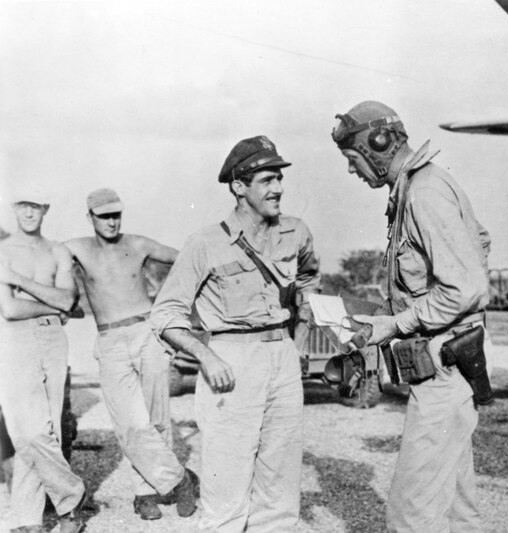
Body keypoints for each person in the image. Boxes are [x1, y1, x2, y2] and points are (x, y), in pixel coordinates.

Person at [332, 100, 494, 533]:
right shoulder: (415, 189)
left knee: (411, 512)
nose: (352, 170)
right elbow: (477, 244)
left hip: (445, 366)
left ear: (376, 145)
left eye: (352, 159)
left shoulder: (424, 192)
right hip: (445, 360)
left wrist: (398, 324)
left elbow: (466, 287)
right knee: (458, 509)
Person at [151, 135, 321, 533]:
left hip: (282, 356)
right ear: (239, 187)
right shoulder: (205, 243)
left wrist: (298, 336)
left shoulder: (296, 232)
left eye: (279, 178)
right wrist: (206, 357)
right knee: (226, 484)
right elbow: (166, 314)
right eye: (266, 180)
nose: (278, 188)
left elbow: (310, 279)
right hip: (230, 359)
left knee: (280, 481)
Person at [64, 188, 197, 521]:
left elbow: (188, 258)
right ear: (90, 217)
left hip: (146, 332)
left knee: (156, 417)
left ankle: (145, 493)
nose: (111, 222)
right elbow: (42, 260)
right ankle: (181, 480)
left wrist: (171, 304)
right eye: (104, 215)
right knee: (130, 423)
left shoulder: (138, 244)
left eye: (116, 215)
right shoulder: (75, 248)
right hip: (109, 340)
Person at [0, 186, 87, 533]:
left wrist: (20, 281)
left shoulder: (57, 251)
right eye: (23, 205)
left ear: (45, 209)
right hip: (14, 338)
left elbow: (69, 300)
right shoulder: (3, 250)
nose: (29, 213)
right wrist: (55, 304)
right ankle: (72, 496)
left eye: (35, 206)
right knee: (26, 429)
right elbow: (9, 308)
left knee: (46, 427)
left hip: (53, 338)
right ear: (14, 207)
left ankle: (27, 519)